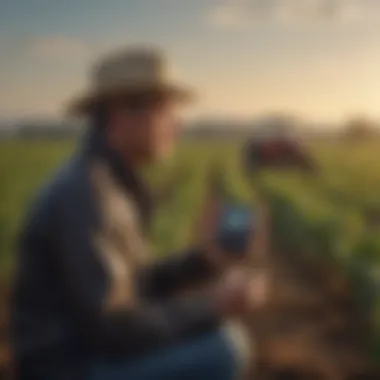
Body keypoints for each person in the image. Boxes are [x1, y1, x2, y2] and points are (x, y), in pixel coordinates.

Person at [11, 47, 263, 380]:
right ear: (123, 111)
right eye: (168, 110)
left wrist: (204, 261)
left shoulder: (106, 181)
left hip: (82, 351)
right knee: (224, 349)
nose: (178, 125)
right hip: (67, 366)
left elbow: (134, 286)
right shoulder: (84, 194)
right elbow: (112, 327)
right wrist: (214, 304)